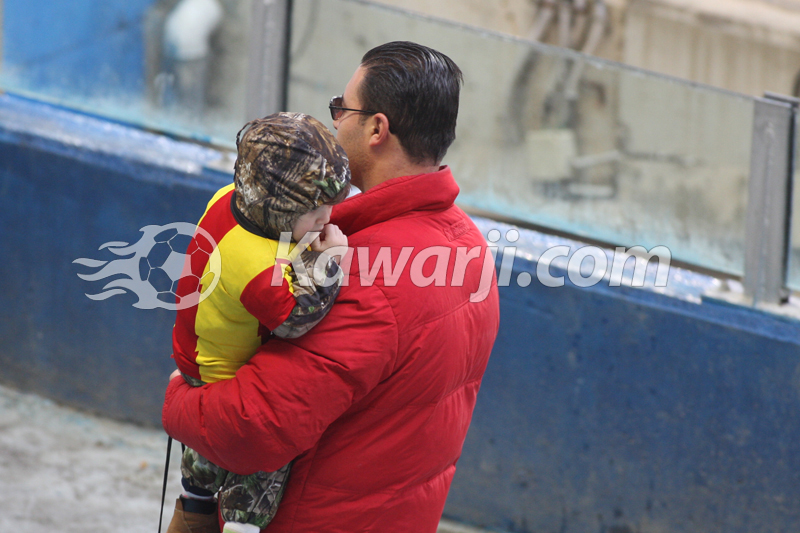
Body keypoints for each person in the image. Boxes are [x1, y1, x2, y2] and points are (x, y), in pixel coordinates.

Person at [163, 41, 500, 533]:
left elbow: (254, 428)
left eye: (342, 108)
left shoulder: (364, 272)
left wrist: (178, 401)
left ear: (377, 129)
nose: (335, 122)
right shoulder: (470, 247)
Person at [166, 112, 351, 533]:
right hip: (224, 378)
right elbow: (295, 320)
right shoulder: (254, 265)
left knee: (204, 460)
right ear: (279, 209)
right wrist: (329, 262)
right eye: (316, 210)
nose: (327, 218)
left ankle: (193, 503)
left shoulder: (229, 196)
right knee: (265, 454)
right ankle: (241, 526)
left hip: (197, 360)